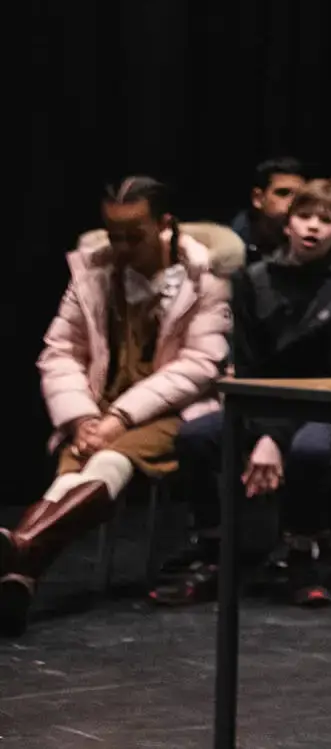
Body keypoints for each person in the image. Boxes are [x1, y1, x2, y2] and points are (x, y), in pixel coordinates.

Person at [4, 178, 232, 636]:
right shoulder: (93, 274)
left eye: (135, 235)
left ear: (164, 225)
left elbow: (200, 365)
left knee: (109, 458)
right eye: (114, 235)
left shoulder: (206, 277)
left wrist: (120, 417)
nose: (123, 246)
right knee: (75, 469)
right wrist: (84, 416)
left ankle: (21, 544)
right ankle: (18, 574)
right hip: (99, 407)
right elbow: (60, 351)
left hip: (173, 411)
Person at [163, 177, 331, 609]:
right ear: (287, 224)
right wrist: (266, 431)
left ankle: (300, 555)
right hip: (259, 402)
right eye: (304, 216)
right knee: (195, 436)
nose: (312, 228)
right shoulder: (252, 280)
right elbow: (247, 368)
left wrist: (273, 437)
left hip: (324, 403)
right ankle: (214, 552)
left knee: (310, 448)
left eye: (326, 220)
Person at [228, 156, 308, 265]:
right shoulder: (230, 245)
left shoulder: (310, 245)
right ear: (258, 198)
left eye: (300, 195)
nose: (293, 202)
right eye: (283, 193)